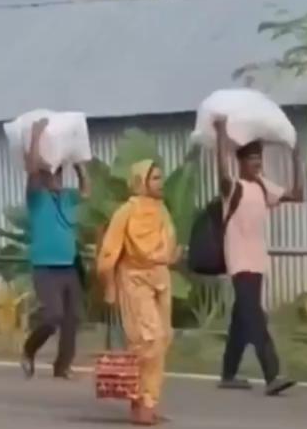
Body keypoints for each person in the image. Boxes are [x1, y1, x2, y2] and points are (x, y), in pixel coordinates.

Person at [214, 118, 303, 396]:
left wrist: (295, 158)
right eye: (252, 159)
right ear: (240, 162)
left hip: (257, 262)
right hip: (240, 263)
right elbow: (222, 172)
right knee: (255, 317)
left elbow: (297, 195)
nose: (257, 163)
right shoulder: (234, 187)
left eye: (259, 159)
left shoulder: (263, 186)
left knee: (241, 320)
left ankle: (228, 374)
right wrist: (221, 135)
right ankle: (272, 374)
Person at [97, 159, 180, 426]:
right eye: (154, 178)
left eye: (160, 177)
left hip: (161, 280)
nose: (160, 183)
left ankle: (147, 401)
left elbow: (169, 244)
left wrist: (170, 254)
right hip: (134, 280)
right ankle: (141, 401)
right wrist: (110, 287)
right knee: (148, 340)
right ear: (140, 181)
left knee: (162, 339)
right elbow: (108, 253)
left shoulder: (161, 210)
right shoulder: (126, 212)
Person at [20, 118, 90, 380]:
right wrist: (36, 135)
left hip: (69, 266)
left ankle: (62, 366)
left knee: (72, 319)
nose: (56, 178)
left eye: (59, 173)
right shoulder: (37, 198)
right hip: (45, 268)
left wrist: (78, 163)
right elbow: (31, 169)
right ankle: (29, 349)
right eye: (52, 173)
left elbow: (86, 190)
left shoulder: (68, 198)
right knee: (53, 317)